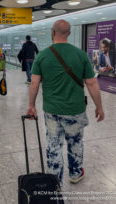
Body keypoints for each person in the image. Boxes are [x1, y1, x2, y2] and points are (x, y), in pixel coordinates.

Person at [26, 20, 104, 186]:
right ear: (69, 33)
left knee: (53, 145)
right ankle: (75, 173)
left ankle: (55, 182)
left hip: (52, 111)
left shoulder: (42, 55)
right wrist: (99, 106)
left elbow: (34, 83)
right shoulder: (81, 54)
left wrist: (31, 106)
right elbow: (92, 83)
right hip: (75, 110)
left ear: (53, 32)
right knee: (75, 143)